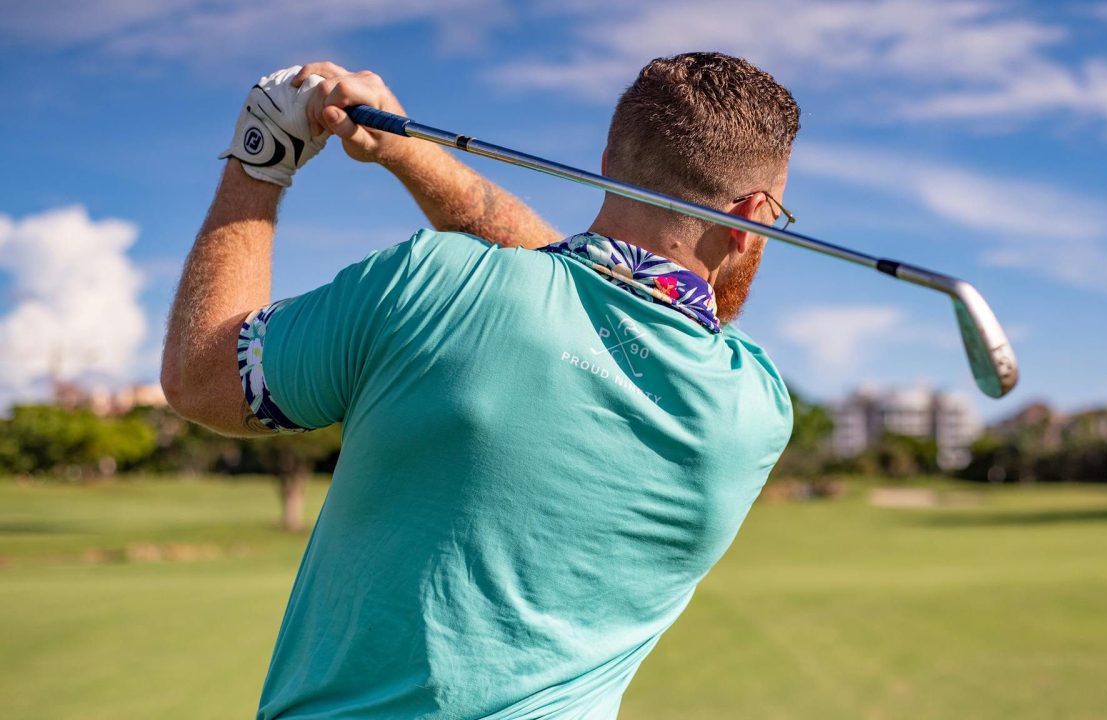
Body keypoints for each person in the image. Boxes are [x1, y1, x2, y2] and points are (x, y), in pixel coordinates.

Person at [162, 51, 800, 719]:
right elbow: (597, 292)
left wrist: (263, 154)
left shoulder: (431, 281)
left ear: (608, 161)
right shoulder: (754, 408)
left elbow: (201, 377)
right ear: (750, 213)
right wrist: (408, 152)